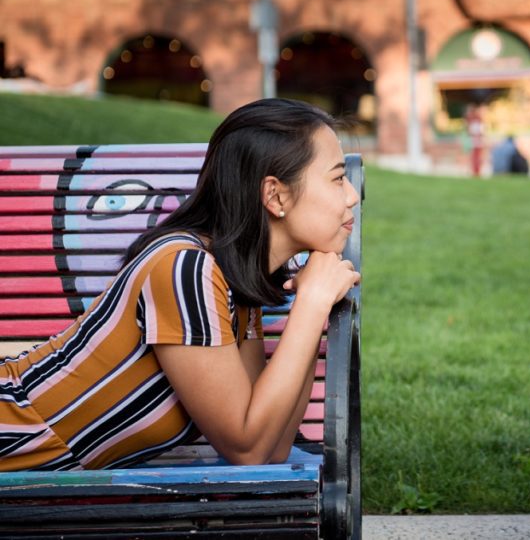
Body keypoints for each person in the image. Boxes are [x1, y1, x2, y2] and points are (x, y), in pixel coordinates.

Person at [0, 99, 361, 471]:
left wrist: (311, 303)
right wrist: (312, 304)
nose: (351, 196)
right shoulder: (185, 269)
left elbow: (269, 446)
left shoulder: (235, 283)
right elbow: (247, 447)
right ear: (275, 195)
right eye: (337, 178)